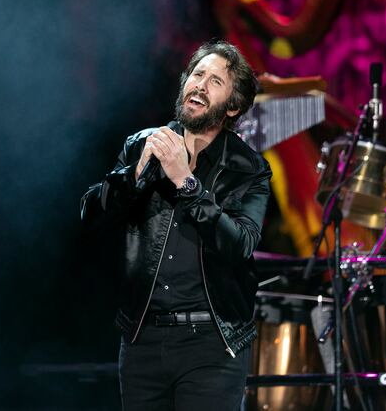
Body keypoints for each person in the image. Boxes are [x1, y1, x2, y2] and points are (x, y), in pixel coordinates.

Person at [80, 41, 272, 410]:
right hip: (143, 339)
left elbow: (239, 245)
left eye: (215, 81)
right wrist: (134, 175)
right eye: (197, 75)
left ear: (232, 106)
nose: (200, 85)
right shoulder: (142, 146)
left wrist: (187, 184)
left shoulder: (249, 168)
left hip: (212, 343)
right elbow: (91, 217)